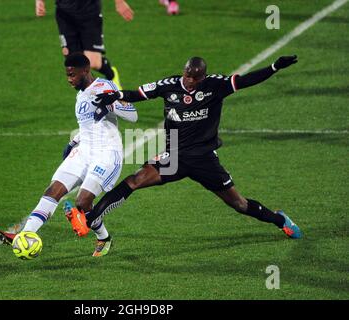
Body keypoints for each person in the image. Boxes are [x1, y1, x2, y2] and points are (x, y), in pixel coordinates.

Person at [67, 55, 303, 242]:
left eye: (195, 78)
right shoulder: (169, 85)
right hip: (174, 156)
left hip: (204, 160)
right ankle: (91, 218)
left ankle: (279, 220)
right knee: (135, 180)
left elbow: (247, 80)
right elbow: (137, 94)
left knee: (239, 204)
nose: (189, 80)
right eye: (187, 75)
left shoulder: (216, 85)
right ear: (184, 71)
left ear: (202, 77)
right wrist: (116, 95)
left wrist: (274, 67)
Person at [0, 53, 137, 257]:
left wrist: (110, 103)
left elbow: (133, 115)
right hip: (84, 151)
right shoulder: (80, 93)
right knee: (53, 190)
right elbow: (89, 126)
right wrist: (73, 141)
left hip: (106, 154)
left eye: (72, 75)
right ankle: (26, 234)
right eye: (67, 75)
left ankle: (104, 238)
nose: (69, 79)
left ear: (85, 71)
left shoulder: (105, 87)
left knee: (83, 202)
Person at [36, 0, 134, 89]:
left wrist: (119, 2)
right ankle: (96, 96)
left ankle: (111, 75)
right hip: (65, 14)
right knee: (75, 67)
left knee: (94, 63)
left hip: (89, 11)